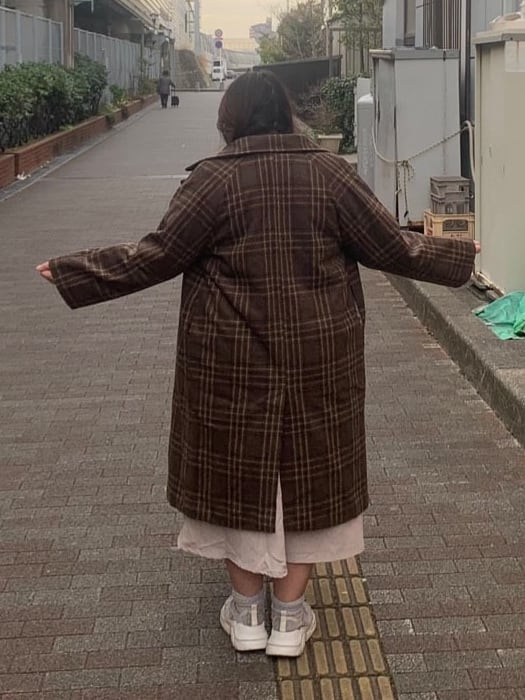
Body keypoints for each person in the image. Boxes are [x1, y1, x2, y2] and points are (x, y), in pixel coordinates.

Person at [36, 70, 479, 658]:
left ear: (231, 120)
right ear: (288, 115)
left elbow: (156, 255)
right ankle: (289, 619)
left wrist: (74, 270)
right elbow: (391, 247)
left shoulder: (212, 180)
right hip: (319, 354)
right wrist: (459, 254)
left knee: (234, 473)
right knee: (313, 476)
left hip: (227, 357)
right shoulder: (331, 174)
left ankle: (247, 613)